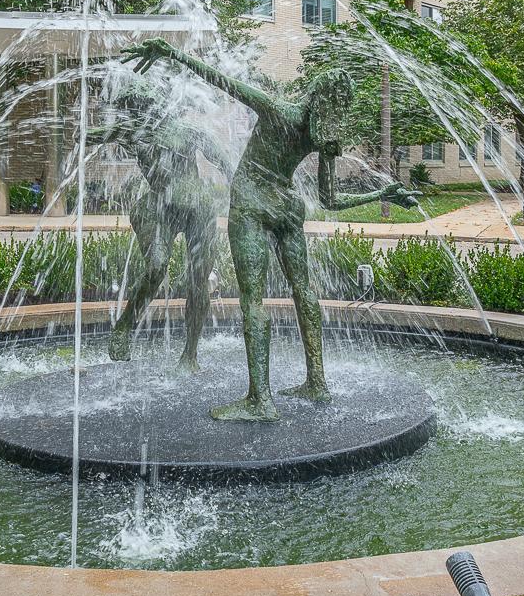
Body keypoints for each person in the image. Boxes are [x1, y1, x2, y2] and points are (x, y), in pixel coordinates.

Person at [124, 39, 417, 420]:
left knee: (253, 300)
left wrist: (172, 53)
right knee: (304, 291)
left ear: (311, 93)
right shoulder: (321, 138)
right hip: (288, 207)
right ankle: (317, 382)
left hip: (252, 204)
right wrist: (382, 193)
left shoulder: (278, 110)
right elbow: (329, 199)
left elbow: (220, 80)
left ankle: (260, 401)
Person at [88, 81, 230, 372]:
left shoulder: (188, 132)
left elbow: (224, 162)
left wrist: (240, 190)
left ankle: (189, 355)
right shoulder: (133, 132)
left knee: (198, 280)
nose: (142, 111)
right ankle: (125, 324)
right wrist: (84, 131)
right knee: (156, 267)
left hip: (198, 209)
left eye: (146, 105)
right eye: (135, 107)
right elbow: (88, 137)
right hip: (158, 207)